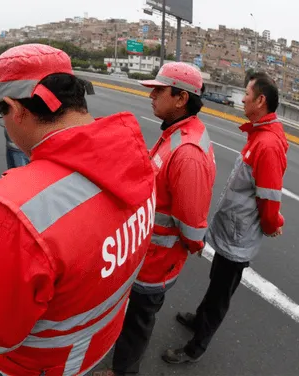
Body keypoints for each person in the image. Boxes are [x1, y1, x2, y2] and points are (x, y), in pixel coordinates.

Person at [0, 44, 157, 376]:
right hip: (95, 346)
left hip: (37, 366)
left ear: (16, 109)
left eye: (1, 117)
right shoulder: (136, 159)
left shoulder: (10, 217)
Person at [162, 71, 288, 364]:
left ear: (260, 100)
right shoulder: (259, 134)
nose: (241, 98)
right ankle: (199, 319)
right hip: (233, 230)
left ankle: (196, 347)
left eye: (246, 94)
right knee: (216, 279)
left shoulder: (267, 144)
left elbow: (269, 198)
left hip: (239, 237)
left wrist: (273, 225)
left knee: (221, 292)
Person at [112, 62, 216, 375]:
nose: (151, 96)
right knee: (132, 317)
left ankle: (124, 371)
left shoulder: (187, 152)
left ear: (181, 98)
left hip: (156, 264)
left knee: (138, 321)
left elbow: (192, 227)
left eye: (158, 90)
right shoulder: (175, 132)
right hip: (146, 255)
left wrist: (190, 244)